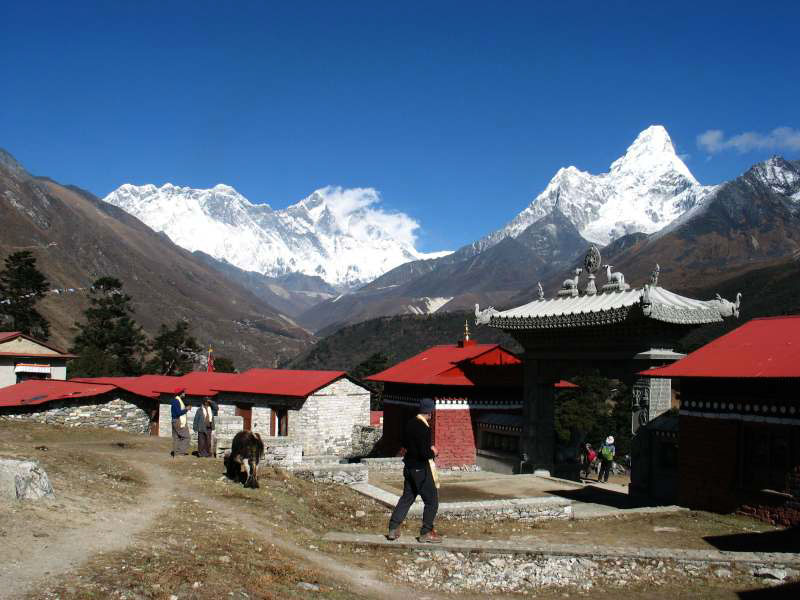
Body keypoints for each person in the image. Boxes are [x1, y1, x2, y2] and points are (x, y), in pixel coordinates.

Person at [386, 397, 441, 543]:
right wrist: (433, 452)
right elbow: (424, 454)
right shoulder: (424, 428)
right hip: (420, 469)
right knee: (432, 501)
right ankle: (426, 532)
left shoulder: (410, 423)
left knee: (407, 498)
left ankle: (393, 528)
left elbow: (404, 442)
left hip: (408, 467)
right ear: (430, 412)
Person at [170, 389, 191, 457]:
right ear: (180, 393)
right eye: (183, 392)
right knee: (187, 437)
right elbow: (178, 412)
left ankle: (176, 454)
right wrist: (186, 409)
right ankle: (181, 452)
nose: (184, 393)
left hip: (175, 420)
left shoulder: (176, 400)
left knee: (176, 437)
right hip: (178, 421)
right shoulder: (176, 401)